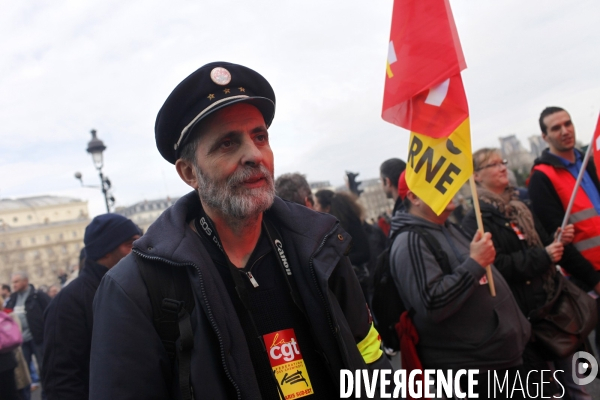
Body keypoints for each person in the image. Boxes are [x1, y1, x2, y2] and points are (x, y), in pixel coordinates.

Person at [90, 61, 389, 399]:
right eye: (228, 144)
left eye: (259, 136)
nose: (253, 154)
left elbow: (369, 354)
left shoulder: (319, 245)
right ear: (189, 173)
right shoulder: (137, 288)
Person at [463, 148, 594, 399]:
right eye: (492, 165)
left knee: (577, 387)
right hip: (525, 319)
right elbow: (495, 266)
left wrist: (557, 240)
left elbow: (541, 243)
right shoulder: (476, 220)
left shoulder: (520, 206)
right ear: (476, 176)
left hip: (553, 308)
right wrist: (544, 256)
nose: (502, 167)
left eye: (502, 162)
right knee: (545, 391)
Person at [390, 171, 531, 398]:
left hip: (498, 358)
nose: (450, 188)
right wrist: (475, 263)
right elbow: (433, 303)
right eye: (438, 184)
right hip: (473, 367)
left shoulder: (447, 227)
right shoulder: (411, 241)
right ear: (415, 198)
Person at [42, 214, 140, 400]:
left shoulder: (133, 287)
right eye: (130, 243)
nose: (139, 248)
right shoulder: (68, 302)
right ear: (105, 251)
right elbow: (60, 381)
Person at [314, 190, 373, 302]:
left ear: (327, 208)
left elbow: (364, 253)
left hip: (357, 284)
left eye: (316, 204)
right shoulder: (332, 228)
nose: (314, 208)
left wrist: (337, 260)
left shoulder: (348, 224)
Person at [5, 271, 50, 394]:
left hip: (38, 340)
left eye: (16, 281)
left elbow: (50, 313)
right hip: (20, 341)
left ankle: (47, 394)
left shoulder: (37, 295)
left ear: (25, 281)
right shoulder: (13, 299)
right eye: (13, 282)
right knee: (24, 373)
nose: (13, 285)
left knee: (44, 368)